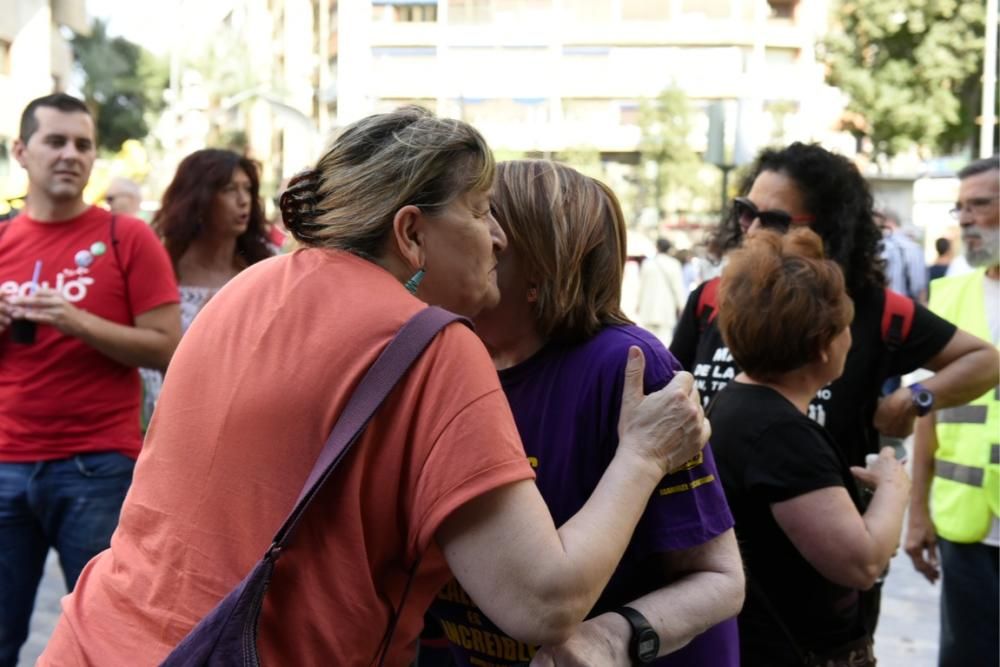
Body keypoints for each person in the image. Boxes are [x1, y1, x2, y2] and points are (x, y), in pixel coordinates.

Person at [38, 106, 710, 666]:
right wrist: (644, 455)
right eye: (480, 212)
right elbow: (541, 601)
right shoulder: (434, 345)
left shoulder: (247, 288)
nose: (499, 238)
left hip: (91, 641)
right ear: (412, 232)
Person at [669, 141, 998, 634]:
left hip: (819, 590)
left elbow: (984, 360)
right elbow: (675, 404)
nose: (753, 230)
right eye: (745, 213)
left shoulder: (868, 308)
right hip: (714, 579)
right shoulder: (714, 299)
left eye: (773, 219)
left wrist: (914, 398)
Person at [425, 160, 742, 666]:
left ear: (536, 269)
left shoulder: (629, 367)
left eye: (487, 223)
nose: (472, 239)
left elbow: (720, 578)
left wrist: (616, 636)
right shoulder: (447, 359)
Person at [0, 93, 181, 666]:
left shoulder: (128, 237)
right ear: (21, 151)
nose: (70, 155)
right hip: (4, 464)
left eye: (83, 144)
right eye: (55, 141)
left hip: (97, 468)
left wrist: (73, 320)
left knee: (107, 642)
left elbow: (169, 349)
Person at [710, 227, 909, 666]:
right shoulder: (780, 436)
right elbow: (861, 563)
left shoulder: (738, 403)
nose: (850, 339)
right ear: (823, 345)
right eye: (845, 327)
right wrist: (894, 485)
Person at [905, 155, 1000, 667]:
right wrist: (916, 512)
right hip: (967, 526)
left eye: (979, 205)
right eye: (959, 207)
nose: (963, 219)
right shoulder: (947, 296)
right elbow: (928, 413)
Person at [139, 149, 273, 427]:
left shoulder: (266, 270)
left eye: (248, 189)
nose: (243, 200)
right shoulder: (162, 268)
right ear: (199, 198)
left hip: (249, 420)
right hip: (172, 423)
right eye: (228, 189)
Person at [636, 237, 686, 346]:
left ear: (657, 247)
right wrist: (681, 306)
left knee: (647, 340)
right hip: (666, 308)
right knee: (665, 341)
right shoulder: (674, 264)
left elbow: (641, 286)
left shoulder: (647, 264)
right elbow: (678, 288)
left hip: (648, 307)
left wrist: (638, 304)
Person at [878, 209, 927, 303]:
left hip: (886, 306)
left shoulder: (882, 245)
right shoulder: (915, 248)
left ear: (888, 223)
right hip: (910, 307)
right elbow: (920, 288)